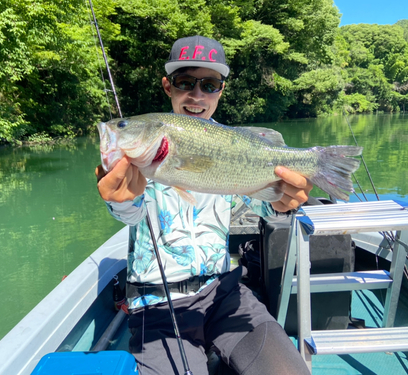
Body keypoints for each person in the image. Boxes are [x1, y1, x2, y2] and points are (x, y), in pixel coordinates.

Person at [95, 35, 312, 375]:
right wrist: (120, 200)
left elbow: (265, 206)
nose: (196, 95)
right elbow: (130, 213)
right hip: (158, 305)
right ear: (168, 86)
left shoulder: (232, 142)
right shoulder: (141, 156)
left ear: (221, 90)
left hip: (225, 292)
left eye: (209, 85)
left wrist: (285, 202)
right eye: (185, 82)